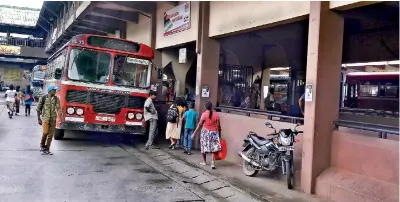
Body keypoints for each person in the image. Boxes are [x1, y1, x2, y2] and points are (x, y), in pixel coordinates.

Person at [192, 101, 222, 169]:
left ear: (205, 107)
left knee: (203, 147)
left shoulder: (204, 114)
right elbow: (219, 126)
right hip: (214, 133)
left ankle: (204, 161)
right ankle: (212, 163)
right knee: (214, 148)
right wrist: (220, 135)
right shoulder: (216, 115)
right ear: (211, 107)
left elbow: (200, 125)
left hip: (205, 133)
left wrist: (194, 133)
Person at [37, 86, 62, 155]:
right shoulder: (44, 98)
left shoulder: (56, 99)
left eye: (55, 90)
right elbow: (38, 109)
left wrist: (61, 118)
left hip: (53, 119)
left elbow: (58, 108)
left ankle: (47, 149)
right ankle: (42, 146)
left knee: (50, 135)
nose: (55, 91)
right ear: (50, 91)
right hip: (45, 118)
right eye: (54, 90)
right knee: (45, 133)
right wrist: (39, 119)